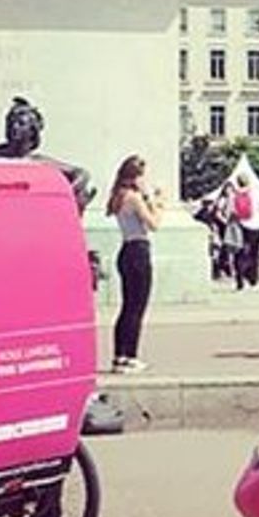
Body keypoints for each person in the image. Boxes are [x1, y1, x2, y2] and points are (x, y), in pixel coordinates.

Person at [107, 155, 162, 373]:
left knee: (127, 306)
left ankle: (119, 355)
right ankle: (130, 356)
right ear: (136, 177)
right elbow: (154, 224)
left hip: (126, 249)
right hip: (139, 250)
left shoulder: (118, 196)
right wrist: (156, 201)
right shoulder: (134, 198)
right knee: (137, 307)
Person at [230, 174, 259, 289]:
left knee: (240, 254)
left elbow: (232, 211)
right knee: (254, 255)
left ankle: (239, 281)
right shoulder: (255, 194)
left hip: (241, 226)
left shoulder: (234, 195)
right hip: (256, 226)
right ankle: (253, 280)